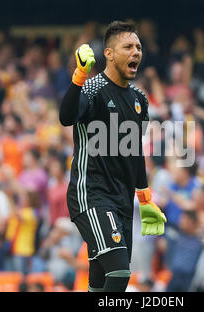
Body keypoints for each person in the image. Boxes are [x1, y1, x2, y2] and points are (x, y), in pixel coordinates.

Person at [58, 21, 166, 292]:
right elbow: (66, 117)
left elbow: (134, 152)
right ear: (108, 54)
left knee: (101, 281)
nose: (136, 52)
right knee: (119, 272)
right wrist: (79, 75)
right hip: (91, 193)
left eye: (138, 47)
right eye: (128, 47)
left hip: (122, 200)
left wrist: (145, 198)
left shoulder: (140, 98)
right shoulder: (93, 88)